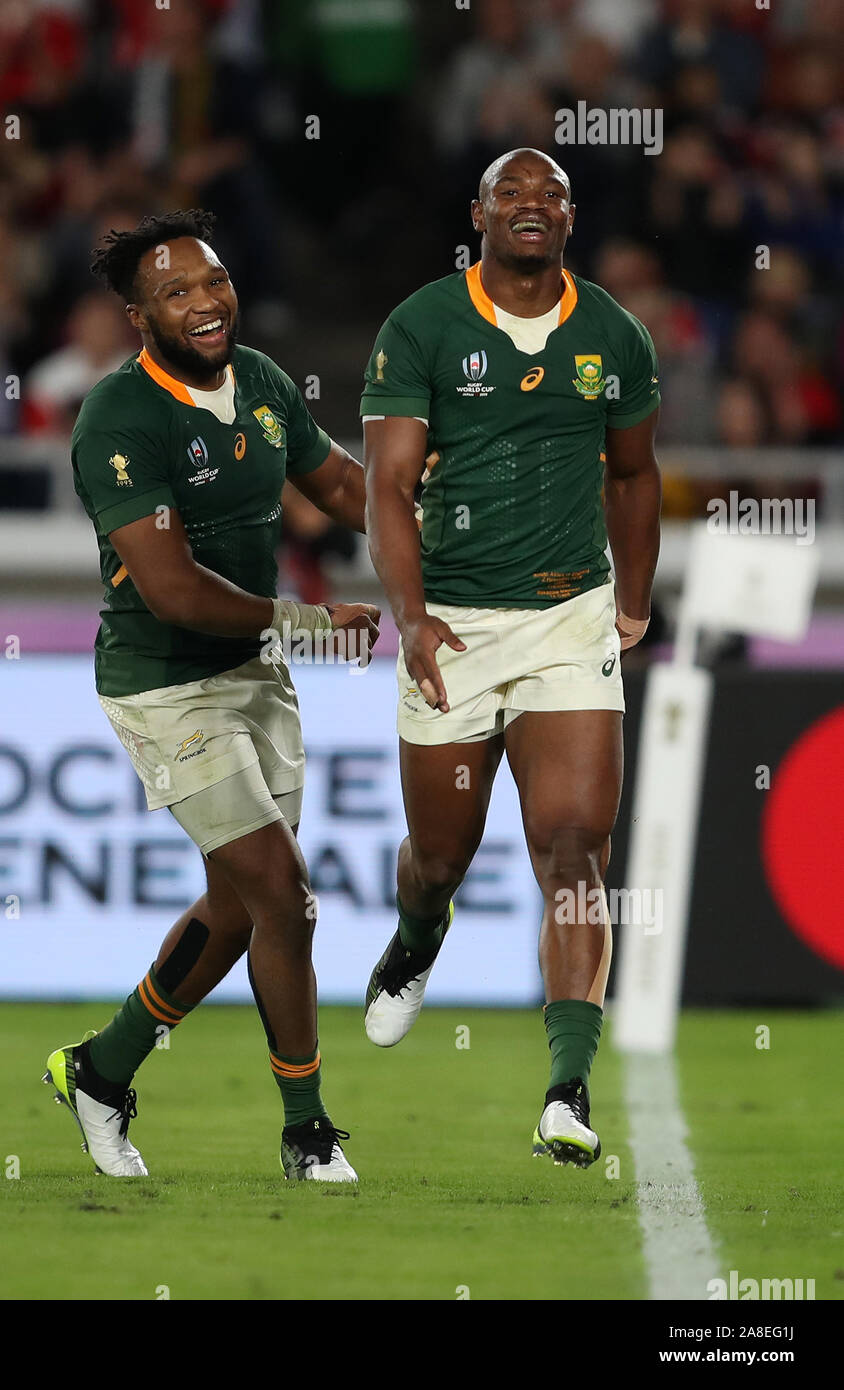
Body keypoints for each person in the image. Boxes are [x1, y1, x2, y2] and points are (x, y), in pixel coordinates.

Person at [45, 208, 377, 1181]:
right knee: (286, 895)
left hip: (255, 676)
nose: (205, 302)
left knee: (240, 911)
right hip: (164, 684)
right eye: (176, 293)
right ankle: (307, 1131)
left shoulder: (265, 380)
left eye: (214, 280)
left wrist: (447, 518)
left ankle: (101, 1070)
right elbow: (173, 590)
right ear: (138, 316)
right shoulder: (118, 418)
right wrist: (312, 624)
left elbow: (345, 490)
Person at [361, 149, 661, 1168]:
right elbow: (386, 488)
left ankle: (566, 1090)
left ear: (569, 219)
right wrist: (407, 616)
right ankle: (417, 933)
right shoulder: (422, 325)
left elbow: (632, 472)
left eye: (551, 196)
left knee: (574, 850)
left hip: (565, 617)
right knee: (439, 856)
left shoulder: (612, 333)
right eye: (511, 194)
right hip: (448, 620)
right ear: (479, 213)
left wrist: (630, 598)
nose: (531, 206)